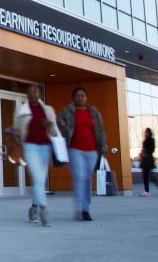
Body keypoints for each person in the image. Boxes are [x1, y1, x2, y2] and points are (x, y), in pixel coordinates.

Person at [57, 87, 107, 221]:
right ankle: (79, 208)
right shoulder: (68, 111)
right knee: (79, 177)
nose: (80, 98)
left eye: (83, 95)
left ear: (86, 97)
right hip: (74, 149)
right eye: (78, 96)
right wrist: (62, 123)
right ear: (74, 97)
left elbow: (101, 130)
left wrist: (103, 147)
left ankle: (86, 209)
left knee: (87, 179)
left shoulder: (94, 112)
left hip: (92, 150)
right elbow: (58, 121)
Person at [14, 84, 59, 226]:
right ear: (27, 95)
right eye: (30, 92)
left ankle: (33, 208)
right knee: (37, 177)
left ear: (39, 93)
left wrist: (49, 125)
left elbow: (55, 132)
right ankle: (44, 211)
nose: (32, 94)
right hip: (29, 147)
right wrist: (16, 140)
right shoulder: (22, 110)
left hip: (45, 147)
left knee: (40, 180)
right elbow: (16, 131)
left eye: (35, 91)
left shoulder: (48, 110)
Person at [139, 128, 158, 196]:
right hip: (147, 160)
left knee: (148, 176)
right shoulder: (148, 139)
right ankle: (147, 191)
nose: (145, 133)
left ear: (149, 133)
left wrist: (144, 153)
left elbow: (151, 149)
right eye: (145, 132)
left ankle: (149, 191)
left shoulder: (150, 140)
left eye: (146, 132)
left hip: (147, 160)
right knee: (147, 176)